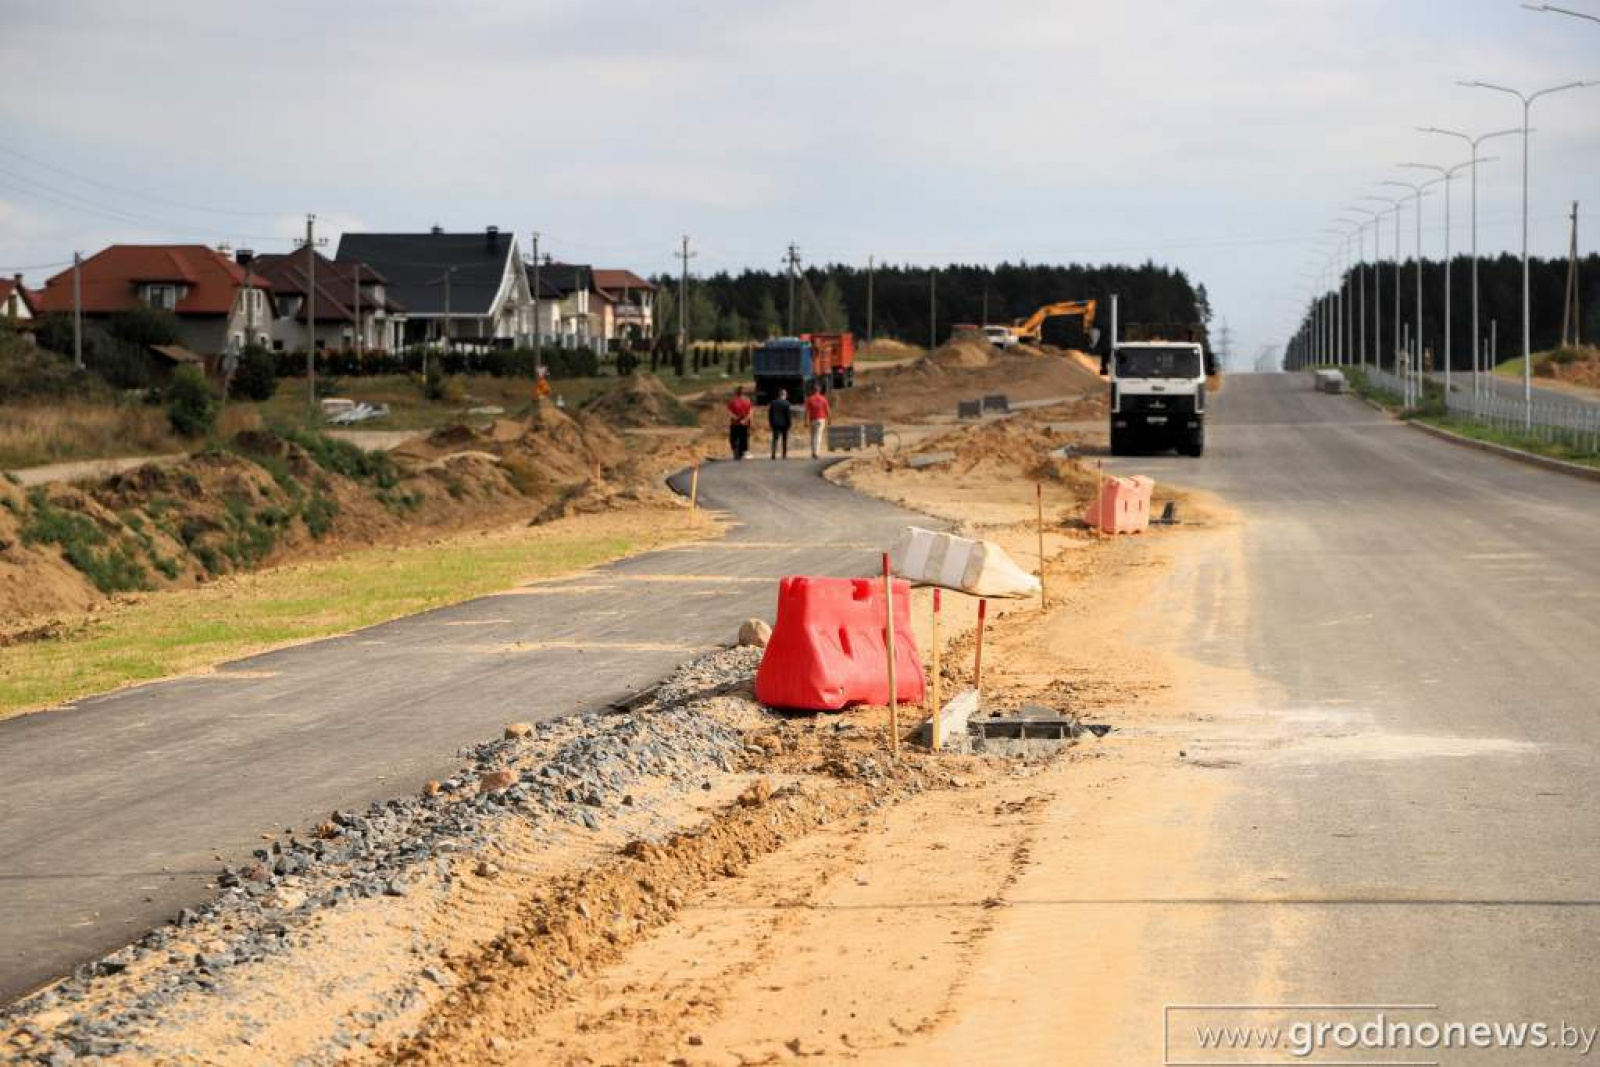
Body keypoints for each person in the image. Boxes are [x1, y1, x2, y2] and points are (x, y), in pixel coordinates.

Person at [804, 383, 831, 458]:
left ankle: (813, 452)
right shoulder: (823, 399)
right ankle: (816, 453)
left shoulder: (810, 399)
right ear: (819, 390)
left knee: (813, 436)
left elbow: (806, 411)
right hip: (821, 419)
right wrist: (829, 419)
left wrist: (805, 421)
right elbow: (827, 410)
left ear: (813, 390)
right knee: (818, 436)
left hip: (812, 420)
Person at [726, 385, 753, 460]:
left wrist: (736, 418)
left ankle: (735, 450)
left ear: (736, 392)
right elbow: (750, 412)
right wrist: (745, 420)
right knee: (744, 438)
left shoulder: (732, 401)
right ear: (743, 392)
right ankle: (744, 452)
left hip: (735, 423)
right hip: (745, 423)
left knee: (733, 438)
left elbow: (729, 412)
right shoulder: (747, 400)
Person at [768, 388, 793, 460]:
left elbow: (770, 414)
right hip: (784, 424)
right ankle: (784, 454)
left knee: (775, 439)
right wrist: (789, 424)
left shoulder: (773, 402)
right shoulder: (787, 403)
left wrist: (771, 423)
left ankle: (773, 454)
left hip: (775, 424)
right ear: (784, 395)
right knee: (784, 439)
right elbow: (788, 415)